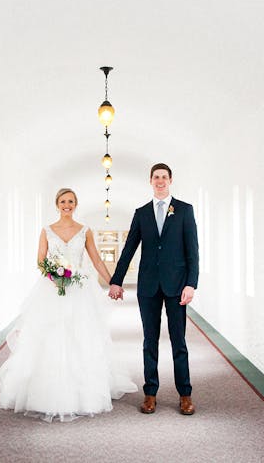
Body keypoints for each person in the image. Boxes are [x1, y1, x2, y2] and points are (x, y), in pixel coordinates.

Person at [0, 188, 137, 421]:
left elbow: (96, 259)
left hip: (80, 291)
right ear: (57, 204)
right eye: (63, 201)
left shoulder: (84, 231)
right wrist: (55, 275)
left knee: (80, 336)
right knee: (49, 336)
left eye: (71, 201)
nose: (67, 205)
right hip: (52, 289)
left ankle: (83, 393)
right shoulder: (47, 231)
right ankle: (44, 393)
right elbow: (40, 261)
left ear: (76, 204)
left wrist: (114, 282)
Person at [109, 163, 199, 415]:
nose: (160, 181)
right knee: (150, 341)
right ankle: (150, 393)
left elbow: (193, 251)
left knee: (178, 341)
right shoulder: (141, 213)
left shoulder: (184, 210)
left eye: (164, 177)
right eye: (156, 177)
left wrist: (191, 283)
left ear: (170, 180)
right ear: (150, 181)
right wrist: (116, 280)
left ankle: (185, 394)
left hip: (177, 286)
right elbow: (128, 249)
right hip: (148, 286)